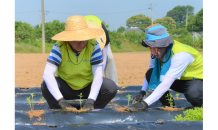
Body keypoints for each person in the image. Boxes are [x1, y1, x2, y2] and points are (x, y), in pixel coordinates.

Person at [41, 15, 118, 111]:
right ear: (68, 39)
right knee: (46, 86)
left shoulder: (93, 45)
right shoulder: (59, 47)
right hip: (67, 87)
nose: (81, 44)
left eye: (84, 39)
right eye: (77, 41)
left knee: (110, 87)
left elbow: (98, 75)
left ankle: (92, 110)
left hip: (87, 86)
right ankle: (60, 111)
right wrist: (61, 100)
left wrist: (91, 100)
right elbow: (47, 74)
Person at [125, 25, 203, 112]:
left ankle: (199, 107)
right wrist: (142, 93)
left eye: (154, 48)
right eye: (150, 48)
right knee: (150, 73)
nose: (152, 51)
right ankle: (169, 106)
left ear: (163, 45)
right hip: (179, 79)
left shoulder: (180, 55)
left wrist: (144, 104)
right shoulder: (156, 53)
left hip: (197, 80)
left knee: (194, 93)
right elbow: (152, 73)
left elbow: (166, 83)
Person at [84, 15, 118, 86]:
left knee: (110, 58)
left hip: (103, 41)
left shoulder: (103, 32)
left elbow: (104, 57)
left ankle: (113, 84)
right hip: (83, 39)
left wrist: (99, 74)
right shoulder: (82, 31)